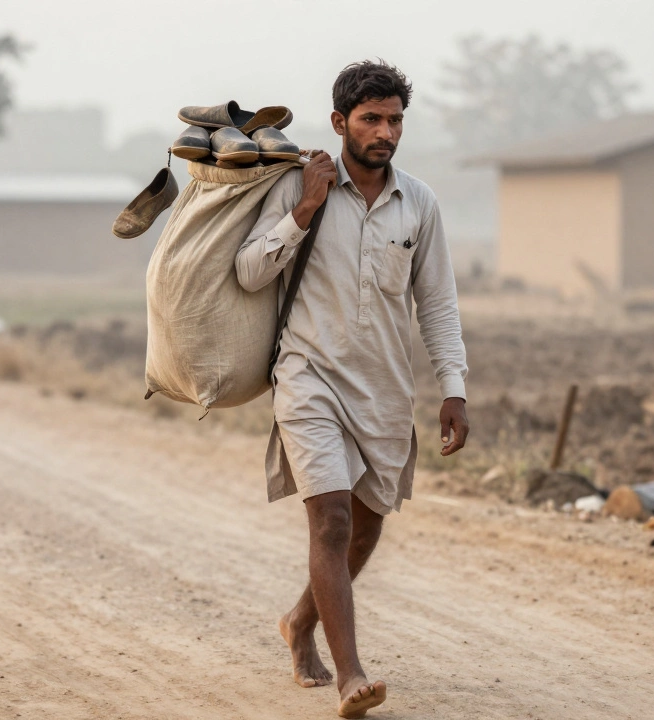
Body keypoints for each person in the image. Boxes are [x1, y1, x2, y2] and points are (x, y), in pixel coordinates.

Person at [235, 59, 469, 719]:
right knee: (331, 519)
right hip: (307, 377)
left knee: (366, 527)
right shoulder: (297, 188)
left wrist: (454, 388)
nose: (385, 132)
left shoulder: (418, 203)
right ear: (340, 123)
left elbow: (439, 306)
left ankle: (300, 622)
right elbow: (250, 273)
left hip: (385, 389)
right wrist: (305, 210)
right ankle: (352, 675)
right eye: (370, 118)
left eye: (394, 119)